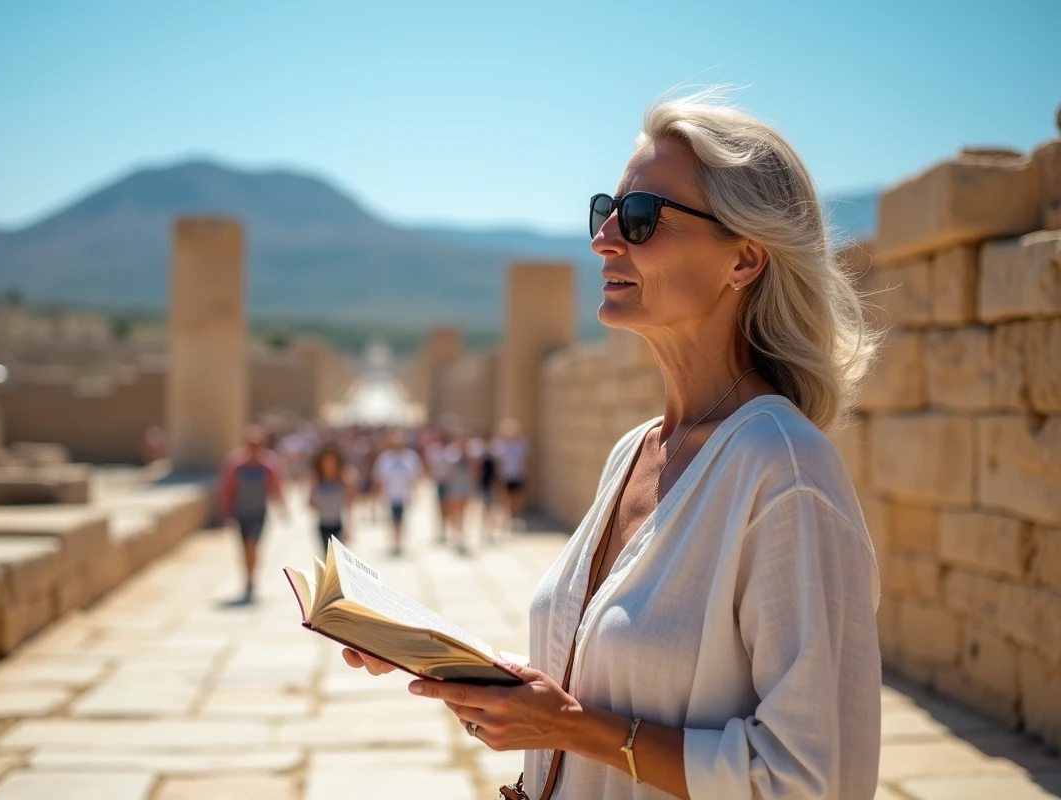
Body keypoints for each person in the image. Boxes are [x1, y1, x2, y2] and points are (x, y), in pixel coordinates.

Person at [341, 91, 882, 799]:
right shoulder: (634, 452)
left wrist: (572, 728)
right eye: (607, 212)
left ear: (745, 259)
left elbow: (816, 779)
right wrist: (461, 674)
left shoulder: (785, 472)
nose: (604, 239)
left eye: (642, 218)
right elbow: (607, 686)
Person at [217, 424, 286, 603]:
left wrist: (282, 509)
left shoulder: (269, 465)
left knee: (252, 545)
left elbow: (276, 488)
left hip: (258, 513)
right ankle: (247, 576)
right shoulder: (235, 465)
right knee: (244, 548)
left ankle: (252, 576)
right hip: (241, 513)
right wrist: (225, 513)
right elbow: (227, 490)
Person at [370, 429, 422, 556]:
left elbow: (416, 475)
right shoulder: (385, 457)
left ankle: (399, 542)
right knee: (393, 519)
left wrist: (414, 492)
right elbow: (379, 477)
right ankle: (394, 542)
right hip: (390, 495)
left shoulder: (411, 457)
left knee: (401, 519)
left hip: (404, 494)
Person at [309, 442, 352, 554]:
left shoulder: (342, 481)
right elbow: (310, 504)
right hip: (323, 524)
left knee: (337, 557)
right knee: (326, 557)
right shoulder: (317, 481)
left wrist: (350, 527)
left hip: (338, 524)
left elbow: (348, 505)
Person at [493, 418, 530, 530]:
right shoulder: (500, 444)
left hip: (518, 474)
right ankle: (507, 519)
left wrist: (527, 473)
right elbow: (498, 461)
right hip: (504, 476)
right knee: (506, 500)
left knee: (517, 498)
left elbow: (526, 459)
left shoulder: (522, 443)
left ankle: (516, 518)